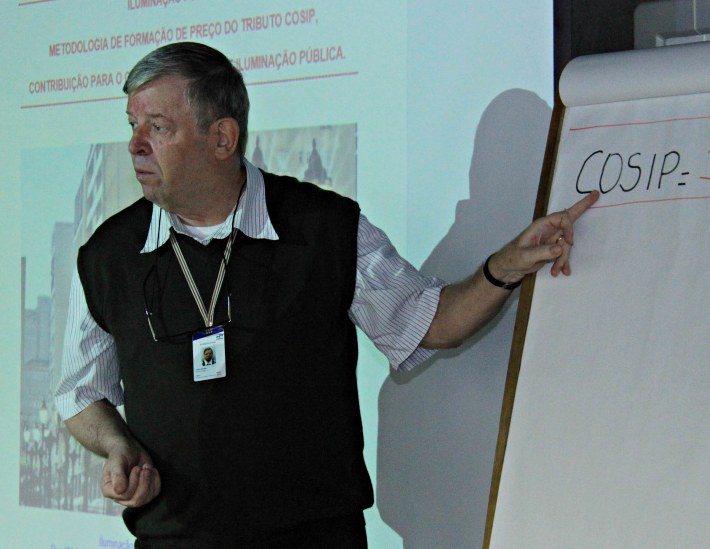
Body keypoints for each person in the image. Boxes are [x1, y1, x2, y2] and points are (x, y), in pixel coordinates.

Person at [55, 42, 599, 548]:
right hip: (174, 540)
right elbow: (80, 393)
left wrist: (506, 265)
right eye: (133, 125)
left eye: (157, 127)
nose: (135, 144)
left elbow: (428, 322)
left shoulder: (324, 228)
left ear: (222, 139)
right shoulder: (107, 256)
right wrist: (118, 444)